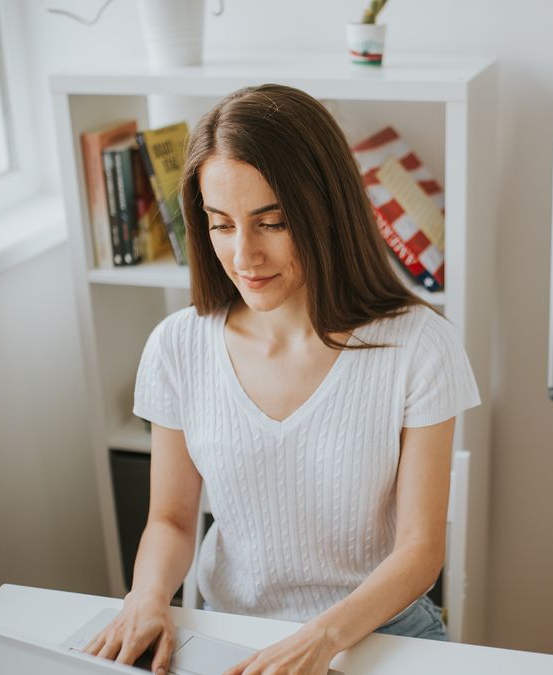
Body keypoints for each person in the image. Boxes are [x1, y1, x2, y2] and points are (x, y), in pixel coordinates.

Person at [83, 84, 480, 675]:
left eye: (271, 223)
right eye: (221, 225)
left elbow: (420, 550)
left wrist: (319, 640)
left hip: (379, 632)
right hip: (233, 630)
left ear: (328, 212)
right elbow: (171, 521)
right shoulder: (177, 346)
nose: (244, 256)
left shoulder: (420, 346)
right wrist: (145, 598)